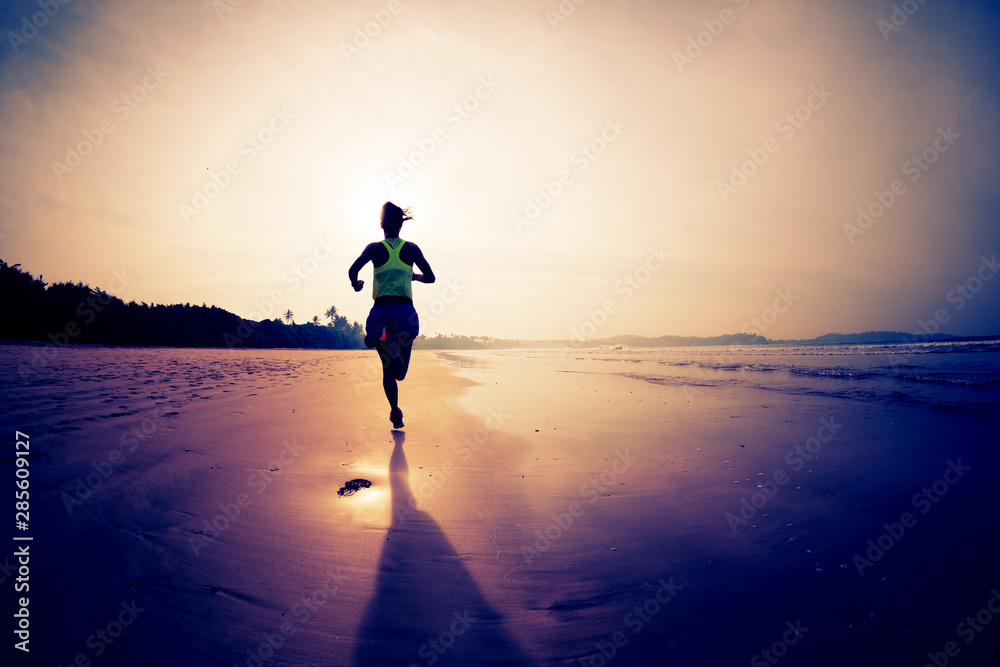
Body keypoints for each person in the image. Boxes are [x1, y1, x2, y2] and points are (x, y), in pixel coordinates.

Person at [349, 202, 435, 428]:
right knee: (400, 373)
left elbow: (352, 270)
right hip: (404, 313)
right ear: (400, 225)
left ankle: (395, 413)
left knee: (388, 368)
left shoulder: (374, 248)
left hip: (379, 314)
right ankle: (386, 346)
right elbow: (431, 277)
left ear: (381, 225)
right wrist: (412, 276)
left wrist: (356, 284)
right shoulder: (412, 249)